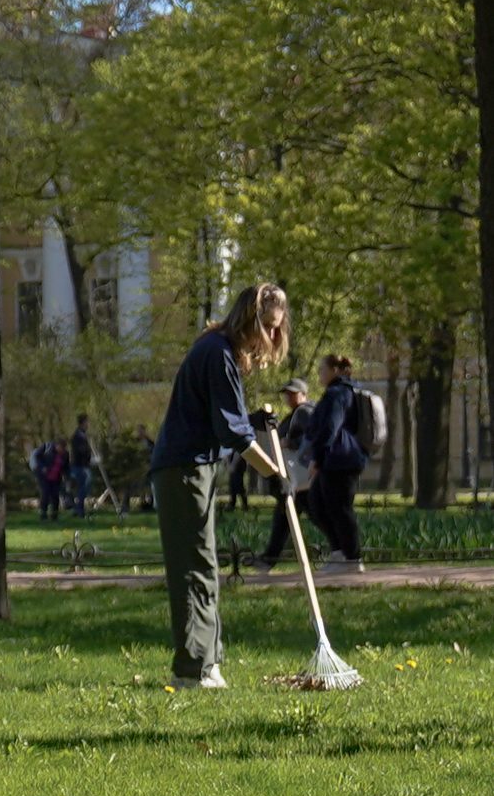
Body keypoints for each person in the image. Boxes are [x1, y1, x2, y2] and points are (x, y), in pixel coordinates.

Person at [147, 283, 289, 689]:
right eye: (268, 326)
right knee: (194, 566)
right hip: (183, 469)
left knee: (205, 564)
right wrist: (274, 476)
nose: (272, 337)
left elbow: (225, 418)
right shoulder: (217, 353)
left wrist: (253, 421)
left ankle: (208, 662)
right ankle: (193, 668)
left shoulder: (217, 350)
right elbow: (232, 435)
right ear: (249, 319)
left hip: (195, 467)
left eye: (277, 328)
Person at [301, 353, 369, 572]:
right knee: (317, 504)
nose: (319, 373)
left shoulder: (338, 393)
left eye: (322, 369)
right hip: (339, 458)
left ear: (336, 370)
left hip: (340, 459)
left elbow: (330, 427)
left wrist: (317, 458)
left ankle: (352, 559)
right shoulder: (341, 391)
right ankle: (339, 553)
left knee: (339, 508)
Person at [251, 378, 315, 574]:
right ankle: (268, 560)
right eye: (286, 393)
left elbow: (311, 437)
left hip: (304, 477)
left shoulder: (304, 412)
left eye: (293, 393)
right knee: (285, 514)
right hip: (299, 478)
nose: (288, 397)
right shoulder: (296, 414)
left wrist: (291, 442)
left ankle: (347, 553)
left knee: (318, 516)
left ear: (303, 394)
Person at [67, 415, 95, 519]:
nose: (88, 424)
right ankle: (79, 510)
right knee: (83, 488)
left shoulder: (82, 435)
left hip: (82, 466)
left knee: (84, 488)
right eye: (87, 422)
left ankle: (78, 509)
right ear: (83, 423)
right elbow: (82, 451)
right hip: (80, 466)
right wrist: (90, 458)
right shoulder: (78, 436)